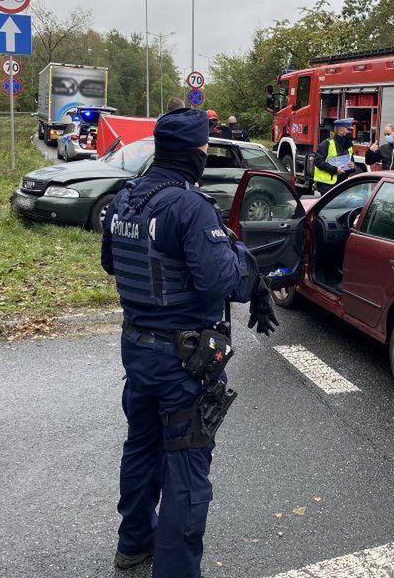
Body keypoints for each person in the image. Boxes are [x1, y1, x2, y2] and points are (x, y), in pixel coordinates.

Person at [100, 108, 277, 576]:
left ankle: (133, 543)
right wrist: (247, 265)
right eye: (204, 149)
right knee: (185, 467)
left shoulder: (126, 199)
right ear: (195, 154)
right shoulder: (189, 206)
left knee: (141, 446)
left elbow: (111, 264)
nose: (205, 155)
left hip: (137, 349)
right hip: (184, 360)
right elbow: (222, 281)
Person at [313, 118, 354, 194]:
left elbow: (351, 164)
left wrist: (352, 166)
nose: (350, 132)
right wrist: (335, 170)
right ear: (340, 130)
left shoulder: (348, 145)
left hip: (342, 185)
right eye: (348, 130)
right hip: (327, 186)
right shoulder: (327, 143)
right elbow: (317, 161)